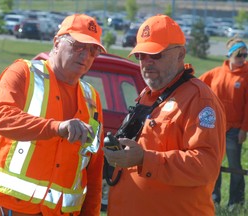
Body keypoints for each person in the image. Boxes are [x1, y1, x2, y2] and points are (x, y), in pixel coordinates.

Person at [0, 14, 106, 216]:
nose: (85, 55)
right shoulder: (22, 73)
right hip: (0, 206)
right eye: (78, 46)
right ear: (57, 42)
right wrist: (56, 127)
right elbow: (2, 118)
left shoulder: (91, 98)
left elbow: (94, 166)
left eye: (93, 50)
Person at [103, 14, 226, 216]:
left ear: (180, 55)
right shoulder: (148, 95)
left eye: (156, 55)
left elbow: (206, 166)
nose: (146, 62)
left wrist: (144, 159)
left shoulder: (199, 99)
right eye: (141, 55)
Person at [199, 37, 248, 210]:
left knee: (235, 166)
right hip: (215, 129)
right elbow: (196, 85)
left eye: (245, 54)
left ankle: (236, 202)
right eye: (239, 54)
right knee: (214, 164)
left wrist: (244, 129)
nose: (243, 58)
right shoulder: (216, 73)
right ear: (230, 54)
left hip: (235, 130)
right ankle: (214, 199)